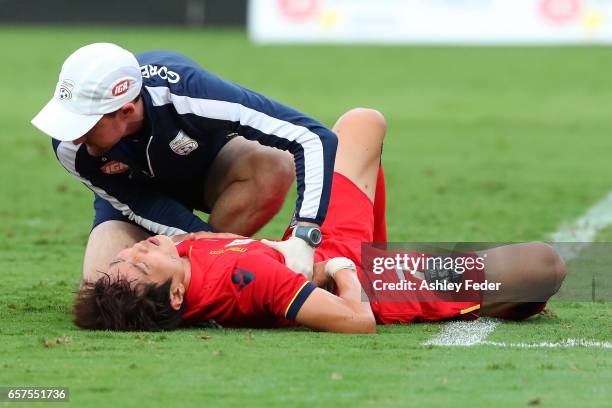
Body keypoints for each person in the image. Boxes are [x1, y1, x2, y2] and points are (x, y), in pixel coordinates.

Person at [73, 108, 567, 333]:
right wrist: (348, 275)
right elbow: (357, 323)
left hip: (321, 243)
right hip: (367, 284)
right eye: (139, 265)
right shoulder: (250, 281)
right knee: (543, 266)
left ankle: (383, 250)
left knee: (361, 123)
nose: (137, 248)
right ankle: (488, 302)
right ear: (176, 295)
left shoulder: (178, 257)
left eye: (127, 252)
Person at [31, 42, 337, 282]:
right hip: (138, 201)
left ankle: (218, 276)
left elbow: (312, 136)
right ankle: (221, 268)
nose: (74, 138)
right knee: (109, 287)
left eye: (85, 126)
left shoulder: (189, 92)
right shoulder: (70, 148)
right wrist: (217, 245)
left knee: (274, 165)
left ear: (125, 112)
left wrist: (304, 236)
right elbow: (141, 204)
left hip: (207, 170)